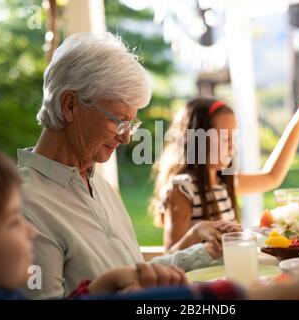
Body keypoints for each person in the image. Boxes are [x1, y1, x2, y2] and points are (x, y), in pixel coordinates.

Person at [0, 145, 299, 301]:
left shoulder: (98, 183)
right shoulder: (40, 197)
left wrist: (102, 284)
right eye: (10, 223)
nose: (127, 134)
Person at [17, 32, 221, 299]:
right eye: (119, 120)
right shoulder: (24, 203)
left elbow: (130, 276)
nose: (126, 137)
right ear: (69, 105)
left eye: (131, 124)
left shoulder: (99, 185)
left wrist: (204, 253)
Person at [151, 97, 299, 252]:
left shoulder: (224, 180)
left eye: (233, 138)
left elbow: (271, 178)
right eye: (224, 139)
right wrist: (197, 231)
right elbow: (170, 257)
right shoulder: (183, 190)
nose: (232, 147)